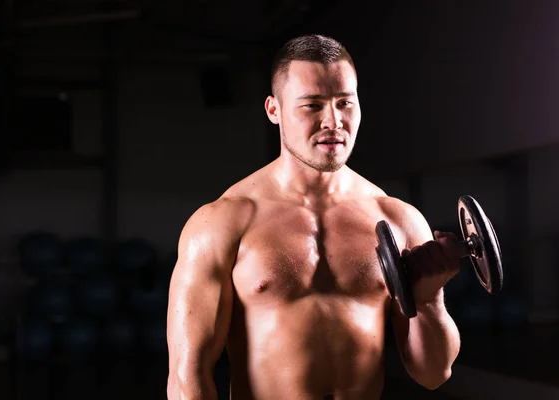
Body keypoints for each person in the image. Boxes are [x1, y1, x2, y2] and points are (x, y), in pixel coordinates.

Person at [166, 34, 462, 399]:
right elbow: (187, 378)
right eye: (313, 105)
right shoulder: (223, 222)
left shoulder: (398, 219)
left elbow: (433, 373)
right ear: (274, 110)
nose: (333, 121)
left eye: (344, 103)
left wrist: (429, 299)